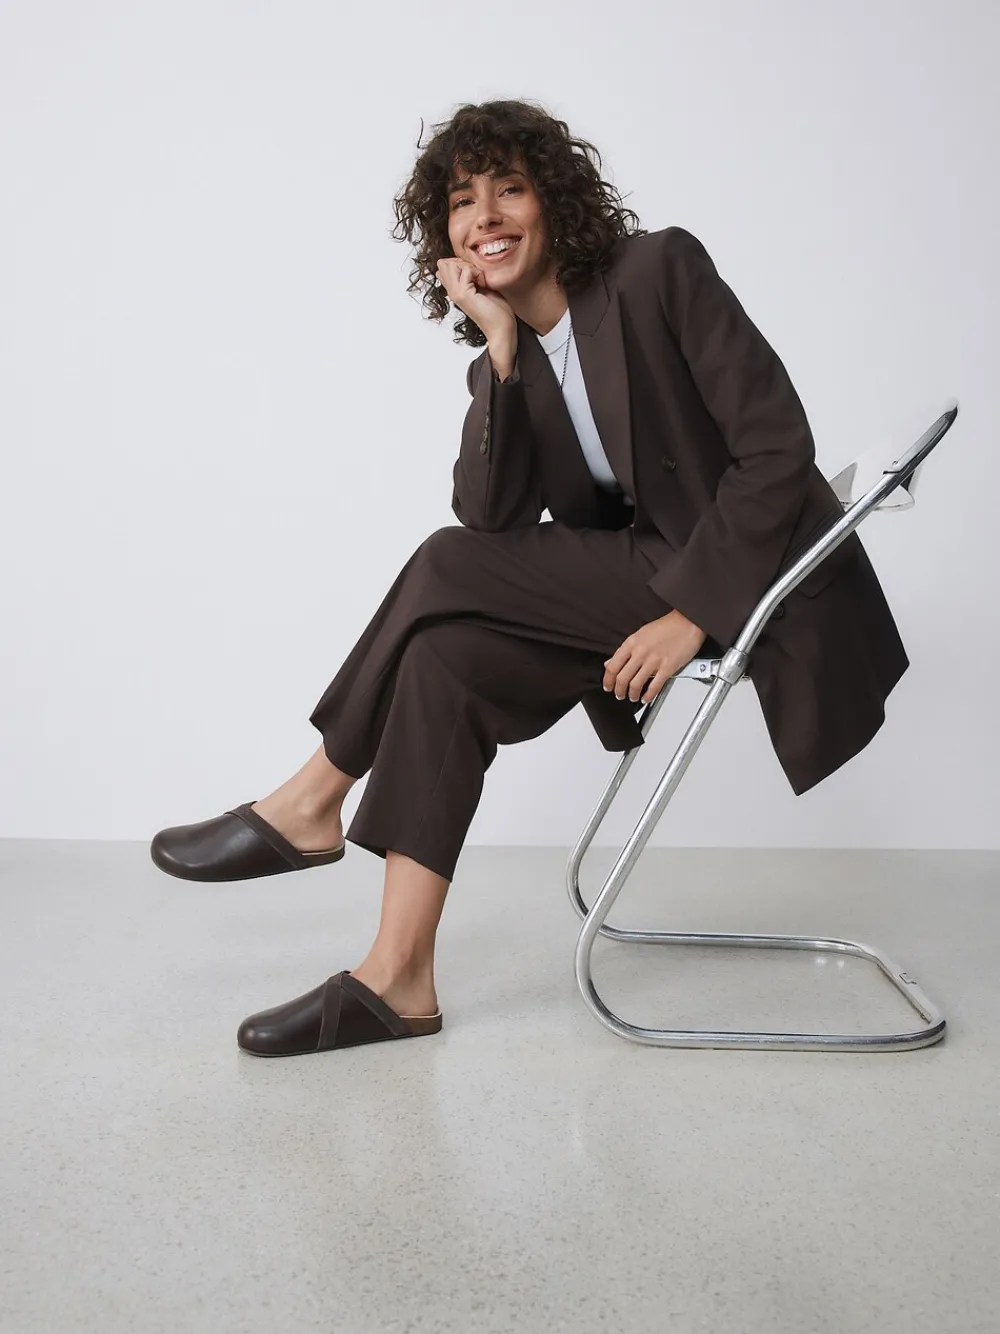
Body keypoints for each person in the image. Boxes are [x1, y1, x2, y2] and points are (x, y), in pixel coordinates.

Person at [149, 99, 908, 1058]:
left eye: (508, 189)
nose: (486, 217)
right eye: (463, 203)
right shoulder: (510, 355)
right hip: (645, 577)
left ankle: (310, 801)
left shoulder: (659, 271)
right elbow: (494, 520)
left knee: (443, 563)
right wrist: (501, 353)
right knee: (445, 659)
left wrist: (691, 614)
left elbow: (777, 450)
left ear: (555, 200)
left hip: (753, 583)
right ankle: (397, 980)